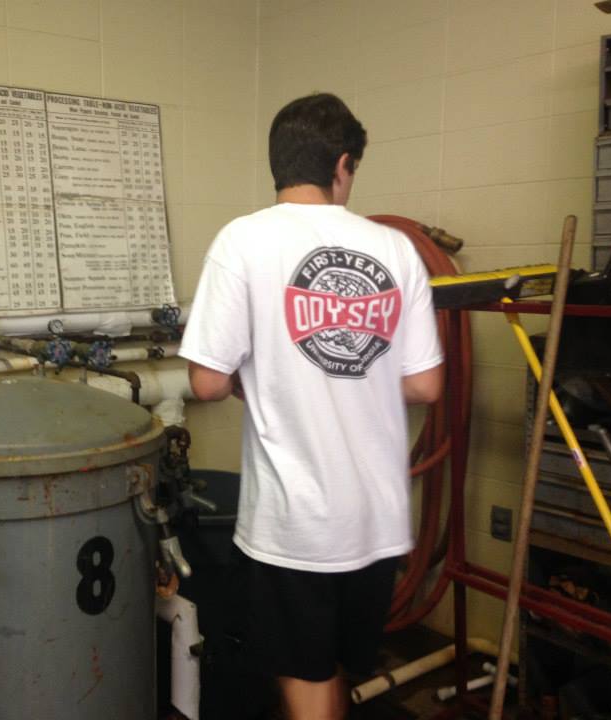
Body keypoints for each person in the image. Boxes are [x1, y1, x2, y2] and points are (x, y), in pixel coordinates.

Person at [178, 93, 444, 720]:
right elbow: (427, 385)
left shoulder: (242, 240)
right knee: (335, 671)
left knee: (302, 675)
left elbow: (207, 382)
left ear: (279, 162)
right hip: (377, 521)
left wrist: (265, 376)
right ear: (342, 165)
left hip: (294, 525)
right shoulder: (397, 250)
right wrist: (360, 378)